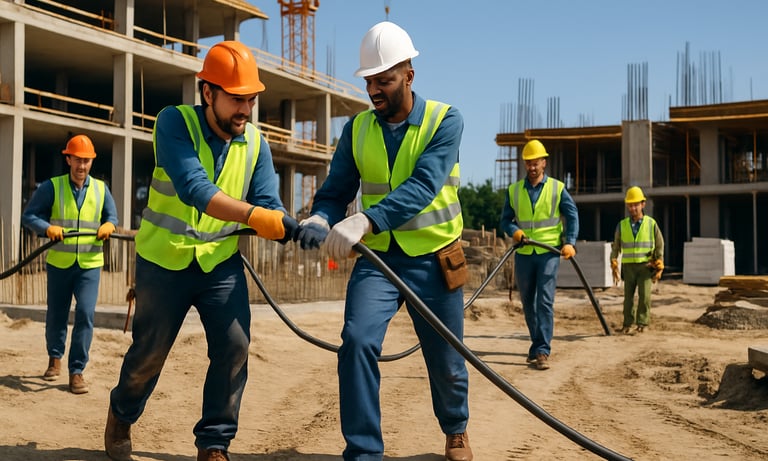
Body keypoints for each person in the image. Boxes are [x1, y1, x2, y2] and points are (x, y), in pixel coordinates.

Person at [104, 41, 299, 461]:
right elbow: (195, 189)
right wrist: (255, 217)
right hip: (164, 260)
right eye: (236, 99)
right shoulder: (173, 123)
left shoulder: (256, 144)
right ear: (207, 92)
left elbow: (269, 202)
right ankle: (121, 412)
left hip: (219, 264)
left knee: (234, 347)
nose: (245, 109)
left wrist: (285, 223)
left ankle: (214, 442)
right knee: (149, 354)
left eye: (251, 99)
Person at [296, 21, 473, 461]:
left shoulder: (444, 120)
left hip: (435, 257)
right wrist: (322, 216)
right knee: (356, 340)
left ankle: (455, 430)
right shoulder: (356, 130)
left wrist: (365, 221)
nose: (374, 89)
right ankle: (363, 452)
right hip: (379, 261)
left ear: (409, 76)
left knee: (447, 360)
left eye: (384, 80)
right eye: (369, 80)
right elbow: (337, 191)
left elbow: (423, 185)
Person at [21, 134, 119, 395]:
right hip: (60, 263)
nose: (82, 166)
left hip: (89, 264)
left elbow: (111, 217)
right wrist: (47, 227)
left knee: (86, 314)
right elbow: (29, 216)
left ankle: (76, 371)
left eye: (86, 161)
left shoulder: (101, 189)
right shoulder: (52, 187)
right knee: (57, 315)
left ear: (91, 162)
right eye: (77, 160)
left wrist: (110, 224)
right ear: (68, 159)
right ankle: (55, 357)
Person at [500, 139, 579, 371]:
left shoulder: (557, 188)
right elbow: (505, 220)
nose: (532, 167)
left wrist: (570, 242)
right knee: (527, 303)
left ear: (544, 163)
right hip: (524, 253)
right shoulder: (514, 191)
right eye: (528, 163)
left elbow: (572, 215)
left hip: (548, 253)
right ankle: (537, 344)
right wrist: (515, 232)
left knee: (544, 301)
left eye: (536, 163)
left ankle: (542, 350)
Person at [610, 186, 664, 334]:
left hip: (646, 266)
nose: (633, 208)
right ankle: (627, 324)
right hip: (628, 267)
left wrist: (659, 262)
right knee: (628, 299)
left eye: (635, 204)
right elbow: (616, 245)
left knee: (644, 297)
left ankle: (642, 323)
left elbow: (659, 243)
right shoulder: (622, 225)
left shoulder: (651, 224)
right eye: (630, 205)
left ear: (643, 204)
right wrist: (613, 261)